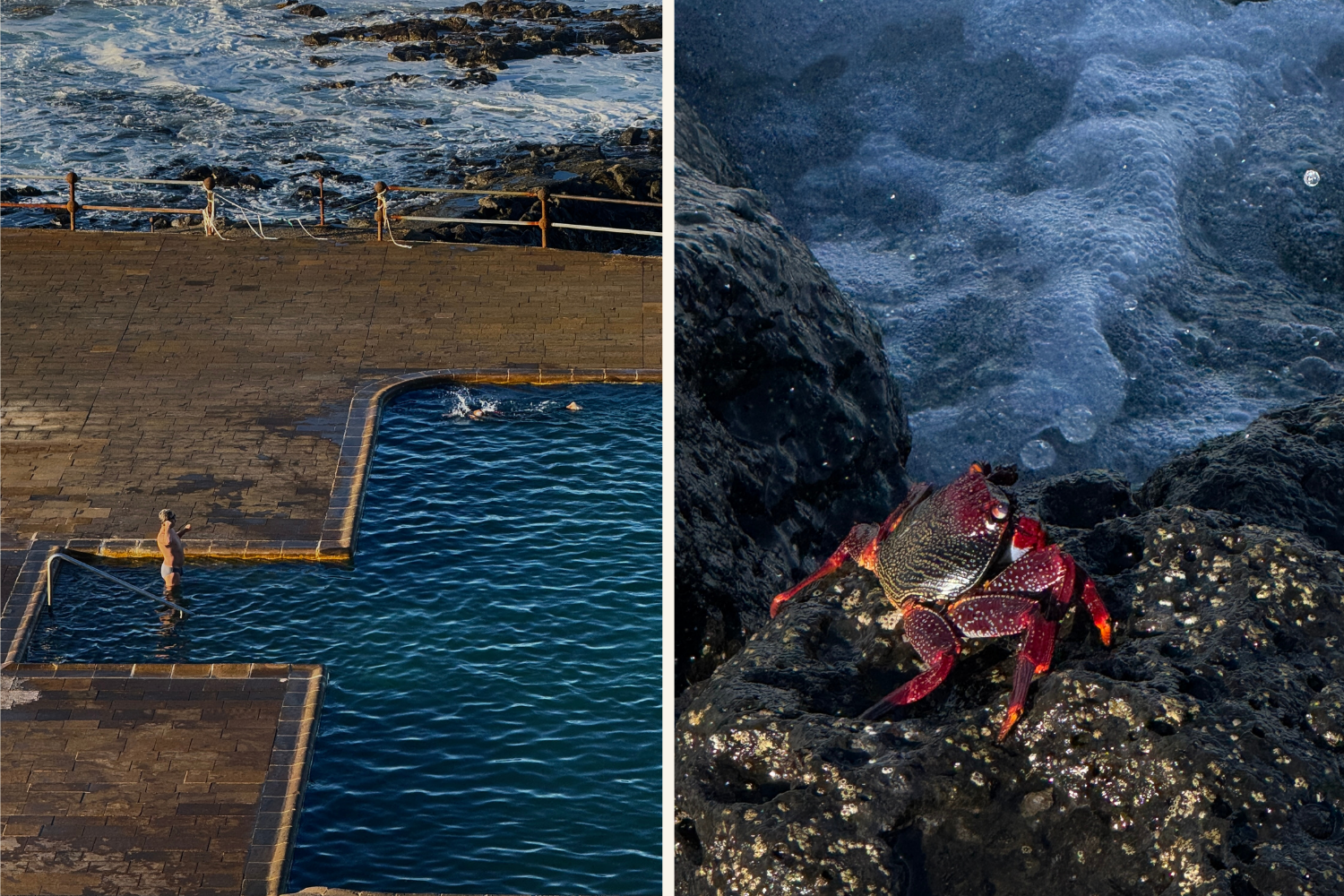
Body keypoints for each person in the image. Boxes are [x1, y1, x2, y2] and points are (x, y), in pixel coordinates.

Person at [156, 509, 191, 592]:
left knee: (176, 593)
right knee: (171, 595)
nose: (176, 520)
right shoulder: (163, 534)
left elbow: (175, 538)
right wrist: (167, 526)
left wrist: (185, 530)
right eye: (174, 518)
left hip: (176, 567)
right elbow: (168, 542)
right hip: (171, 571)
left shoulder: (170, 531)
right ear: (170, 520)